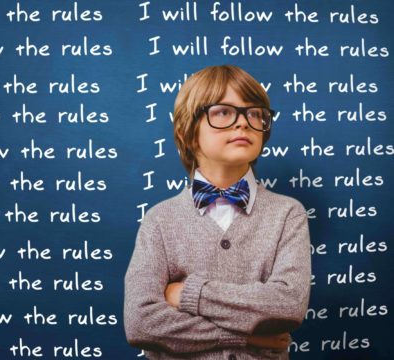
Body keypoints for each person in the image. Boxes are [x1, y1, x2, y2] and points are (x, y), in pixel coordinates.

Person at [123, 64, 311, 360]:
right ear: (188, 132)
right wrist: (246, 335)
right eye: (223, 112)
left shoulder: (288, 214)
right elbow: (142, 323)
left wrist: (185, 294)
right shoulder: (160, 220)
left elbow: (287, 305)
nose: (244, 123)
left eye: (255, 113)